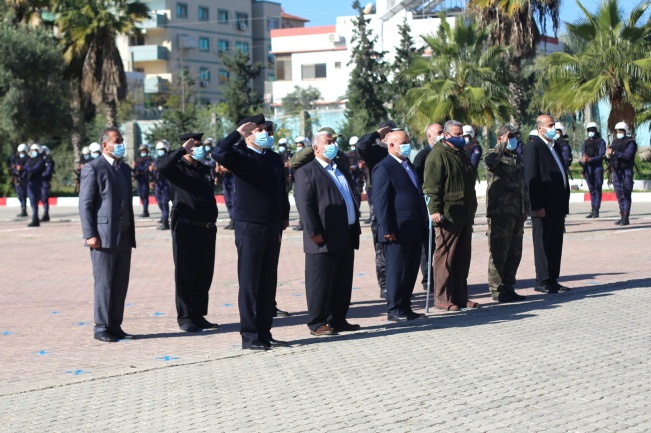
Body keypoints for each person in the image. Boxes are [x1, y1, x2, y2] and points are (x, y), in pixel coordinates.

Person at [212, 114, 290, 351]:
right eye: (259, 129)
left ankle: (265, 332)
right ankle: (250, 335)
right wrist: (238, 132)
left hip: (272, 225)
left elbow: (281, 191)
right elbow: (218, 152)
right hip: (250, 226)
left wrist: (283, 217)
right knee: (250, 282)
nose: (265, 133)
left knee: (268, 281)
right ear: (249, 133)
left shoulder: (274, 158)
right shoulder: (241, 156)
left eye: (267, 129)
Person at [294, 131, 361, 335]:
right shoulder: (307, 172)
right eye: (328, 142)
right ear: (316, 148)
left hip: (346, 233)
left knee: (342, 281)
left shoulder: (340, 168)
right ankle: (317, 322)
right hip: (322, 237)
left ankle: (338, 319)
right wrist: (313, 231)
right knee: (320, 282)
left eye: (334, 141)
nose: (333, 145)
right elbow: (305, 205)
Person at [157, 132, 219, 333]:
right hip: (186, 227)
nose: (199, 148)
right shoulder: (176, 169)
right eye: (195, 145)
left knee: (204, 273)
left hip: (207, 228)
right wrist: (181, 151)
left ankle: (198, 314)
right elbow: (161, 166)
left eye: (200, 145)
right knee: (186, 273)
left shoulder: (204, 169)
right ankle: (185, 316)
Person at [79, 127, 136, 342]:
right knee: (104, 283)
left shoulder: (125, 169)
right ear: (105, 145)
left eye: (121, 140)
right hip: (102, 237)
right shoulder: (93, 168)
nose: (121, 144)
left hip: (124, 235)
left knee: (120, 282)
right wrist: (89, 234)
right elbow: (85, 205)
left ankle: (115, 325)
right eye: (117, 140)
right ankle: (101, 326)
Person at [372, 130, 428, 321]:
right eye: (403, 142)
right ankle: (394, 309)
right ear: (391, 145)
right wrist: (386, 229)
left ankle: (405, 306)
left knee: (411, 269)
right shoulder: (384, 167)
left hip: (413, 228)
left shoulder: (408, 165)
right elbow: (381, 202)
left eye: (408, 141)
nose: (407, 145)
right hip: (396, 229)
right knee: (397, 270)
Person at [423, 120, 478, 311]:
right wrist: (435, 211)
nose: (461, 137)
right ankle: (442, 298)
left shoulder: (459, 153)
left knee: (462, 259)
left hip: (463, 213)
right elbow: (431, 187)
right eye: (457, 134)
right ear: (446, 135)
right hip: (448, 215)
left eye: (462, 134)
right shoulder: (437, 156)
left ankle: (461, 297)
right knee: (444, 258)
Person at [524, 114, 571, 294]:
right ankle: (542, 280)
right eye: (550, 125)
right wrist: (536, 205)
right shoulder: (534, 147)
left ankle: (553, 279)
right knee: (543, 243)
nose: (553, 128)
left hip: (557, 204)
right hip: (543, 206)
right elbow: (531, 178)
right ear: (540, 128)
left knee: (555, 243)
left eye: (554, 125)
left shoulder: (555, 146)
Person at [484, 125, 529, 303]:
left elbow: (522, 186)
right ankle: (497, 289)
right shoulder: (492, 155)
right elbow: (491, 163)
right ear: (500, 138)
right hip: (500, 215)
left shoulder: (517, 158)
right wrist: (502, 145)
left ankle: (509, 287)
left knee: (514, 253)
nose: (514, 139)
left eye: (516, 136)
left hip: (517, 214)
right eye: (510, 136)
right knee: (499, 253)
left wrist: (525, 209)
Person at [356, 120, 396, 299]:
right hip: (379, 207)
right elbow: (362, 146)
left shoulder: (397, 151)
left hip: (398, 206)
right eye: (388, 133)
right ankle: (385, 285)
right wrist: (376, 133)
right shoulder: (375, 152)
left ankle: (397, 284)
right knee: (381, 248)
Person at [413, 123, 443, 293]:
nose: (441, 135)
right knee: (428, 246)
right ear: (430, 136)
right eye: (438, 133)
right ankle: (428, 280)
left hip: (443, 207)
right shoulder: (422, 156)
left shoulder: (445, 152)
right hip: (428, 208)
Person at [607, 121, 637, 226]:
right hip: (616, 171)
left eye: (621, 131)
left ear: (625, 131)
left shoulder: (631, 143)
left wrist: (615, 153)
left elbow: (627, 156)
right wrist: (609, 163)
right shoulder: (614, 142)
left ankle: (626, 216)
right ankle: (622, 216)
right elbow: (611, 158)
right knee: (619, 194)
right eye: (617, 131)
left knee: (626, 193)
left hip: (626, 171)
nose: (619, 133)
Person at [580, 122, 606, 218]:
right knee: (591, 189)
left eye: (592, 130)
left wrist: (590, 159)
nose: (590, 132)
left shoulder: (601, 141)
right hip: (588, 168)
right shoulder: (586, 142)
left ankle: (596, 210)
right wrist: (583, 162)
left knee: (597, 188)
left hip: (597, 168)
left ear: (596, 130)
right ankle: (593, 209)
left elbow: (601, 155)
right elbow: (583, 154)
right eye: (589, 130)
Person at [23, 144, 46, 227]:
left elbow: (35, 169)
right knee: (32, 201)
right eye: (32, 150)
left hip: (37, 183)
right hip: (30, 183)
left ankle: (36, 218)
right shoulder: (29, 160)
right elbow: (25, 167)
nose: (33, 152)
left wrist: (28, 169)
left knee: (35, 201)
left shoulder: (40, 160)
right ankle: (35, 218)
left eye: (35, 150)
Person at [290, 136, 309, 231]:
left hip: (307, 182)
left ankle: (305, 223)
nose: (298, 147)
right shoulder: (295, 156)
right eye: (297, 145)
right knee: (299, 203)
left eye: (300, 145)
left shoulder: (309, 156)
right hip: (297, 182)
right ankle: (302, 222)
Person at [152, 140, 171, 230]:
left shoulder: (168, 159)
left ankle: (165, 223)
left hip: (165, 184)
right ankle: (164, 217)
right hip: (158, 184)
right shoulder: (157, 159)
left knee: (164, 203)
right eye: (159, 149)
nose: (160, 151)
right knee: (159, 202)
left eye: (162, 149)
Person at [9, 144, 29, 217]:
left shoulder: (27, 159)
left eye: (22, 152)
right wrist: (14, 172)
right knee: (19, 195)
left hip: (24, 179)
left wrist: (21, 169)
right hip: (18, 179)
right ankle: (23, 209)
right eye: (20, 152)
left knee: (23, 195)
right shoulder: (17, 159)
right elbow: (14, 169)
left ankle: (24, 210)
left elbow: (26, 169)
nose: (21, 154)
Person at [133, 144, 152, 218]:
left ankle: (145, 211)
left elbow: (145, 168)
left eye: (144, 151)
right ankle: (144, 210)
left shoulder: (149, 158)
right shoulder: (138, 159)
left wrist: (139, 167)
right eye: (142, 151)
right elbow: (135, 169)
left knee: (144, 195)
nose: (143, 152)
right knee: (140, 195)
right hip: (139, 180)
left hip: (145, 179)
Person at [40, 145, 55, 222]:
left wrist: (40, 175)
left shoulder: (49, 161)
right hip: (38, 182)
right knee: (41, 198)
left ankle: (46, 214)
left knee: (44, 198)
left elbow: (48, 171)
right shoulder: (39, 160)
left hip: (45, 181)